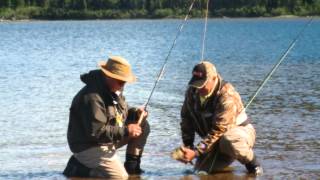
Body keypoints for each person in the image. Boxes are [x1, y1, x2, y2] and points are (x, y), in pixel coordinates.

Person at [63, 56, 150, 179]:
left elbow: (121, 112)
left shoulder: (113, 88)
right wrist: (127, 130)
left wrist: (136, 113)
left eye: (125, 81)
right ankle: (79, 168)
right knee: (121, 178)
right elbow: (97, 132)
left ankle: (132, 167)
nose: (123, 85)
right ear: (108, 76)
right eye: (121, 81)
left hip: (106, 139)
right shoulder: (92, 97)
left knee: (142, 126)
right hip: (88, 145)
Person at [178, 61, 263, 175]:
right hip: (214, 142)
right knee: (199, 171)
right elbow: (186, 118)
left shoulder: (227, 96)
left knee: (229, 141)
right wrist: (188, 146)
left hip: (238, 135)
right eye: (196, 84)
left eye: (202, 84)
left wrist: (196, 152)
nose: (199, 89)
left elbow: (218, 131)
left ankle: (253, 165)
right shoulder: (192, 91)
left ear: (213, 78)